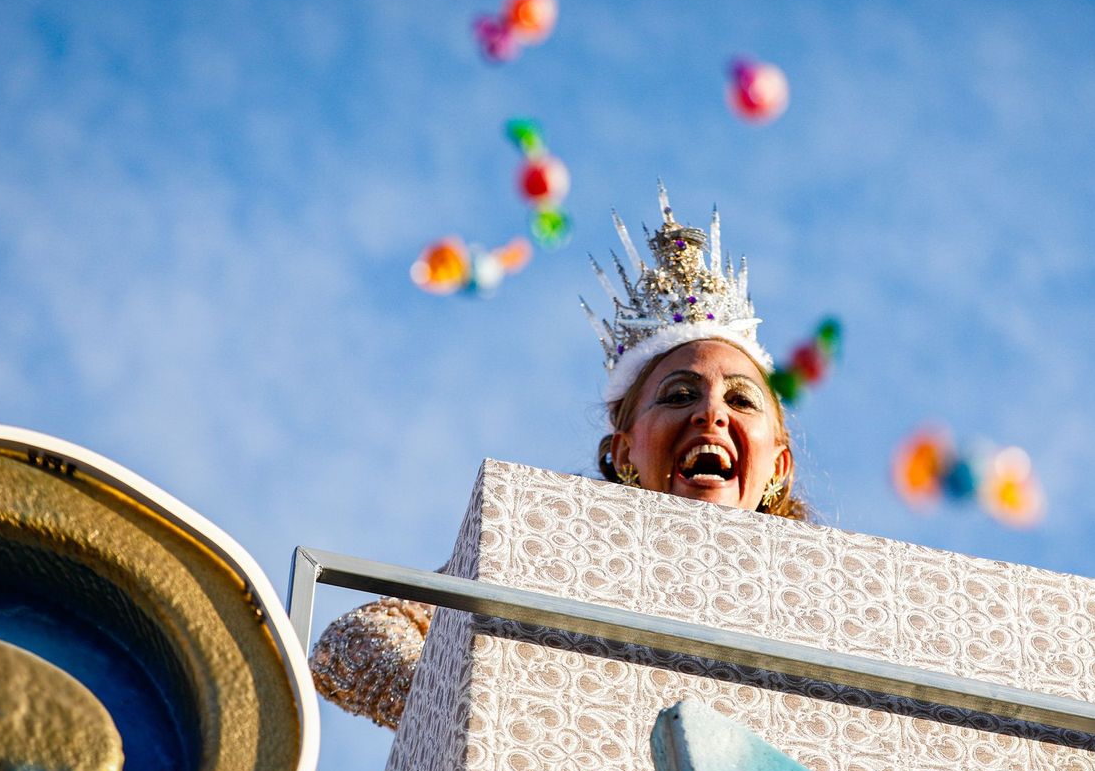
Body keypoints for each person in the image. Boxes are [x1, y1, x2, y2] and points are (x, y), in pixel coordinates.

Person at [311, 186, 804, 727]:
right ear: (625, 452)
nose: (710, 414)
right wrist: (489, 725)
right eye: (679, 395)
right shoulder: (551, 552)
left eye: (740, 399)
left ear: (778, 466)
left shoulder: (829, 601)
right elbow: (352, 643)